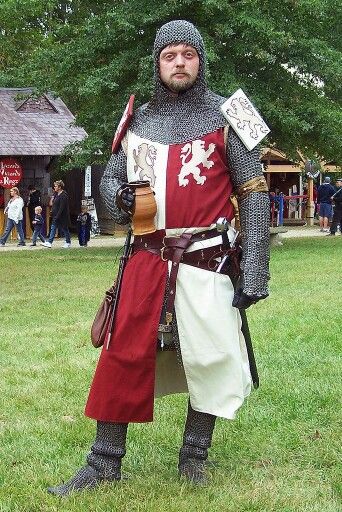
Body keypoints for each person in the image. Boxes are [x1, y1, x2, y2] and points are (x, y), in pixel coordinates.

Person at [48, 20, 270, 496]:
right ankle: (104, 461)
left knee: (210, 356)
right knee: (123, 354)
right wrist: (121, 199)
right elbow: (109, 184)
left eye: (188, 55)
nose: (179, 63)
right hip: (146, 256)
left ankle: (194, 456)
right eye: (170, 56)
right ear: (157, 63)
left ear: (201, 61)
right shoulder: (136, 120)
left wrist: (254, 267)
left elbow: (253, 191)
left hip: (206, 259)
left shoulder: (231, 114)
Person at [42, 180, 71, 248]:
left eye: (55, 186)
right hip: (55, 215)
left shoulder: (64, 195)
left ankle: (68, 242)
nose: (54, 187)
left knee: (65, 229)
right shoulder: (55, 194)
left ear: (60, 187)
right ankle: (49, 242)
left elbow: (62, 207)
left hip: (62, 216)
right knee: (53, 228)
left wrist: (57, 216)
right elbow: (52, 204)